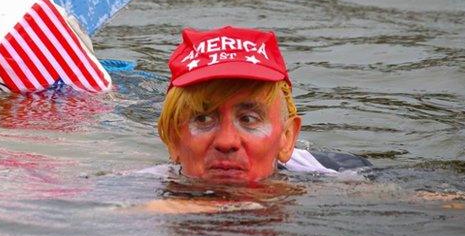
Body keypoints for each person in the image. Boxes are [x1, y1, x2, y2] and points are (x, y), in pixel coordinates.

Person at [157, 26, 370, 183]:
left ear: (286, 139)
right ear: (174, 140)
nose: (226, 142)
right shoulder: (139, 196)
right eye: (203, 118)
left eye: (248, 119)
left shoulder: (346, 177)